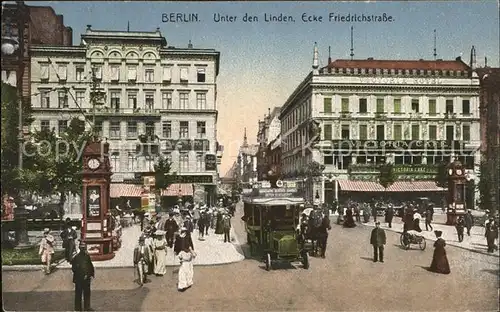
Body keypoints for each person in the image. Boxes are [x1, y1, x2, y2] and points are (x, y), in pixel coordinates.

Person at [72, 241, 95, 311]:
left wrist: (91, 274)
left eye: (84, 247)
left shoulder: (87, 256)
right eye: (82, 247)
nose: (83, 249)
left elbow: (90, 265)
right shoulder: (76, 257)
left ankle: (87, 307)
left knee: (87, 293)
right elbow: (74, 268)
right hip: (79, 278)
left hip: (87, 278)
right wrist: (83, 275)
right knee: (78, 294)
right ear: (79, 248)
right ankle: (78, 308)